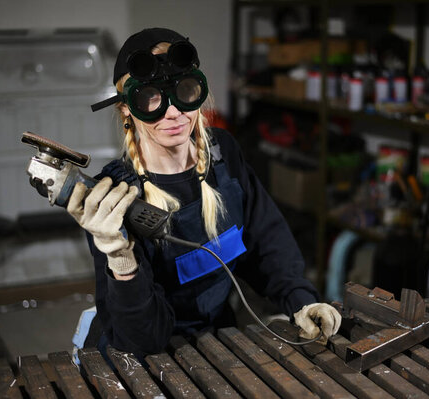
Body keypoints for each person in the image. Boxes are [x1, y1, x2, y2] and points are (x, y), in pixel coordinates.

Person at [68, 27, 341, 360]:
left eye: (183, 90)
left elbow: (265, 239)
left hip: (214, 341)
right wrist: (121, 260)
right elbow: (140, 340)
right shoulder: (117, 197)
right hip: (146, 352)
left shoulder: (222, 156)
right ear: (126, 107)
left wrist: (300, 299)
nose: (172, 112)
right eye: (150, 97)